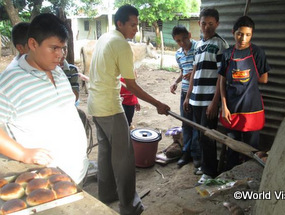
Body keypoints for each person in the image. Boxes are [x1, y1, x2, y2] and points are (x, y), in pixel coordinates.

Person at [87, 5, 170, 215]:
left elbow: (108, 73)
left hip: (95, 106)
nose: (135, 29)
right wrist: (157, 103)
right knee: (124, 159)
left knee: (106, 155)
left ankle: (107, 195)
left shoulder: (105, 38)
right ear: (120, 23)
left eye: (136, 25)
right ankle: (129, 206)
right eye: (132, 25)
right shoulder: (121, 45)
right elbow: (131, 85)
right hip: (110, 108)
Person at [0, 13, 89, 185]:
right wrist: (22, 153)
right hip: (46, 181)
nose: (60, 55)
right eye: (54, 48)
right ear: (33, 44)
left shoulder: (58, 71)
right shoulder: (11, 81)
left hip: (77, 172)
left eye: (63, 48)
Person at [183, 7, 229, 184]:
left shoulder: (220, 45)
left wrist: (215, 102)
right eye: (204, 23)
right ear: (198, 24)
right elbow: (194, 71)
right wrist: (188, 96)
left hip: (209, 99)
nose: (207, 27)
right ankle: (204, 166)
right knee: (200, 134)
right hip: (195, 98)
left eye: (211, 23)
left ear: (217, 24)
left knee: (208, 136)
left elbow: (221, 75)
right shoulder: (199, 45)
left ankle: (210, 171)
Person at [219, 16, 270, 170]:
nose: (243, 38)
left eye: (248, 35)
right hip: (231, 108)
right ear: (233, 32)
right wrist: (224, 105)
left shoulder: (257, 52)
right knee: (232, 146)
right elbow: (221, 81)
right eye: (240, 34)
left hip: (252, 107)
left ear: (252, 35)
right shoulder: (227, 54)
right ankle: (231, 177)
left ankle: (247, 176)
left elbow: (264, 79)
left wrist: (246, 78)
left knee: (251, 149)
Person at [170, 25, 201, 169]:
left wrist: (194, 74)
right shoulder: (178, 54)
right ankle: (186, 153)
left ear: (189, 34)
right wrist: (176, 82)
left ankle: (196, 155)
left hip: (197, 92)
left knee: (196, 125)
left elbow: (201, 69)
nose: (182, 43)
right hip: (184, 92)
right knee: (186, 123)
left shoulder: (199, 47)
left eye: (184, 39)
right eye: (178, 41)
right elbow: (183, 72)